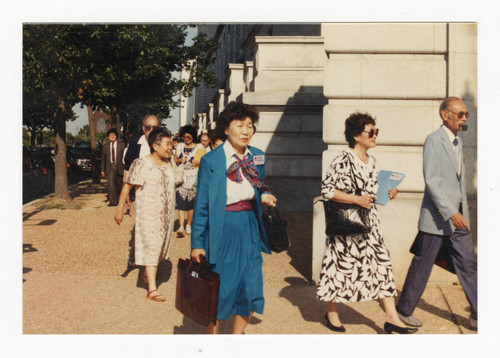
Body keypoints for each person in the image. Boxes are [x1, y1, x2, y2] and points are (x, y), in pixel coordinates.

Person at [316, 112, 417, 334]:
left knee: (382, 266)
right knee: (340, 269)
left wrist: (387, 192)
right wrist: (356, 199)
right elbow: (327, 190)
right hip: (347, 225)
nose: (374, 135)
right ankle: (332, 312)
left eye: (376, 131)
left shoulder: (372, 161)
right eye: (370, 132)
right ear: (355, 135)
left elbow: (372, 193)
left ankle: (391, 317)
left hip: (370, 225)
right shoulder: (343, 159)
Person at [191, 101, 277, 334]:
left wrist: (266, 193)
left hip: (249, 226)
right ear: (226, 129)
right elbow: (202, 205)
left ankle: (236, 338)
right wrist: (198, 243)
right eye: (240, 125)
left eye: (250, 126)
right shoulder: (212, 160)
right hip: (223, 228)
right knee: (220, 287)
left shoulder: (257, 156)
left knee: (251, 285)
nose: (246, 130)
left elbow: (260, 186)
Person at [396, 97, 477, 330]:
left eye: (466, 115)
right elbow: (432, 182)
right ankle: (403, 310)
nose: (464, 118)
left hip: (458, 219)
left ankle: (479, 314)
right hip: (437, 218)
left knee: (468, 263)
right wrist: (451, 212)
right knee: (422, 265)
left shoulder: (458, 143)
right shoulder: (434, 140)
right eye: (460, 114)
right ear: (444, 114)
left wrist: (460, 213)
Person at [114, 127, 176, 302]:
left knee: (160, 246)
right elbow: (127, 186)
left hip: (166, 215)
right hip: (148, 213)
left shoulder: (169, 163)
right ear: (155, 146)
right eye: (167, 144)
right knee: (152, 244)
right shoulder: (142, 163)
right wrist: (119, 209)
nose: (170, 147)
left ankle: (145, 273)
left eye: (170, 144)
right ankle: (152, 289)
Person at [122, 115, 161, 267]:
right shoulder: (134, 144)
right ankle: (133, 253)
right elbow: (127, 170)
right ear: (143, 127)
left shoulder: (162, 144)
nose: (150, 131)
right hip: (138, 194)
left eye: (155, 128)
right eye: (147, 127)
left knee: (154, 227)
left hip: (156, 193)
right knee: (138, 226)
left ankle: (150, 261)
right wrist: (125, 194)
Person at [174, 125, 205, 237]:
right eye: (185, 136)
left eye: (189, 136)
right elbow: (175, 161)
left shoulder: (200, 148)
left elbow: (205, 162)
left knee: (191, 204)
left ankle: (189, 224)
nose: (186, 138)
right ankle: (181, 226)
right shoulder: (180, 146)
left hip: (193, 178)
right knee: (181, 203)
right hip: (181, 177)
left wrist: (199, 163)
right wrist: (180, 160)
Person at [101, 128, 126, 206]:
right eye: (110, 135)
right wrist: (102, 170)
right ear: (108, 137)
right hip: (110, 167)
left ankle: (119, 200)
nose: (112, 136)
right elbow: (103, 159)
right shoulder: (105, 146)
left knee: (119, 184)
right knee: (111, 185)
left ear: (116, 136)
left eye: (113, 134)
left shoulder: (122, 145)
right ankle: (113, 202)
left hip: (120, 167)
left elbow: (125, 157)